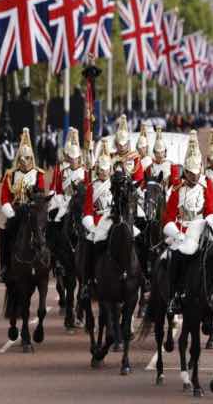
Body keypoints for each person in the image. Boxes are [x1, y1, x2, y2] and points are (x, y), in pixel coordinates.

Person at [162, 131, 213, 315]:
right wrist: (177, 234)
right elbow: (168, 218)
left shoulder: (207, 185)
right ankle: (174, 296)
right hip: (182, 232)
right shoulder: (177, 189)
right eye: (190, 173)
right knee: (173, 259)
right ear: (185, 172)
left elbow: (211, 210)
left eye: (197, 173)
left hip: (202, 228)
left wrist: (207, 223)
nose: (194, 177)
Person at [81, 142, 141, 299]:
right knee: (90, 244)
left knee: (137, 238)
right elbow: (87, 209)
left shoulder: (117, 183)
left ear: (110, 170)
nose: (103, 173)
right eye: (100, 170)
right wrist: (91, 226)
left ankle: (141, 276)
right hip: (98, 221)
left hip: (115, 217)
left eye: (106, 170)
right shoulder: (91, 187)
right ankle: (88, 281)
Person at [0, 128, 46, 283]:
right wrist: (10, 212)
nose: (25, 163)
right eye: (22, 159)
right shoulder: (10, 175)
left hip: (33, 210)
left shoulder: (38, 174)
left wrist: (35, 207)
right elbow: (5, 197)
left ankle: (51, 262)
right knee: (5, 233)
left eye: (28, 159)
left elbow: (40, 195)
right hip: (17, 210)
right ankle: (4, 266)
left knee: (48, 230)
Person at [49, 128, 86, 225]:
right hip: (65, 200)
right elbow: (58, 189)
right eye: (70, 158)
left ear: (78, 158)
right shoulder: (62, 171)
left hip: (80, 202)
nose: (73, 161)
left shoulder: (84, 172)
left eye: (75, 158)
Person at [111, 115, 144, 184]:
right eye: (120, 145)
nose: (122, 148)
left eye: (124, 145)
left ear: (128, 143)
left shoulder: (135, 158)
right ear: (116, 144)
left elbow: (139, 178)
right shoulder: (111, 157)